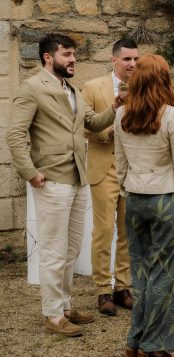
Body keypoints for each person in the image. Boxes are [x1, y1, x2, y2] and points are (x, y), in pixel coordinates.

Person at [7, 33, 121, 337]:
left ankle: (65, 307)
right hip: (51, 178)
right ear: (48, 57)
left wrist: (116, 106)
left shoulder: (72, 89)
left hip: (78, 178)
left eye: (73, 55)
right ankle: (53, 316)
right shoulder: (31, 88)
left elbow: (94, 124)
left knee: (71, 249)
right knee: (54, 251)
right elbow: (16, 134)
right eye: (67, 54)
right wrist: (30, 172)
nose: (73, 60)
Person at [114, 55, 174, 357]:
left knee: (141, 271)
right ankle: (154, 345)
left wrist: (130, 188)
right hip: (166, 199)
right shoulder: (172, 115)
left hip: (134, 198)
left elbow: (119, 164)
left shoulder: (121, 113)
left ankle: (135, 342)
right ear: (164, 80)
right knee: (166, 273)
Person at [82, 38, 139, 316]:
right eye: (127, 59)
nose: (132, 64)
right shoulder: (93, 87)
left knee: (128, 232)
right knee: (103, 231)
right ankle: (103, 289)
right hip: (103, 166)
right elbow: (84, 127)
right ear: (114, 60)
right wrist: (110, 133)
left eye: (136, 59)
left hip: (131, 170)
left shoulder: (142, 87)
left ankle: (123, 288)